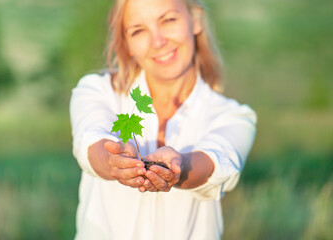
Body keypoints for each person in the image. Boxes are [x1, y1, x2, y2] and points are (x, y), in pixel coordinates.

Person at [70, 0, 257, 239]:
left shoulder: (233, 116)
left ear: (196, 19)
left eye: (168, 20)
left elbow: (217, 162)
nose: (158, 41)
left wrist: (179, 167)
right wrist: (112, 161)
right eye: (138, 30)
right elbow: (90, 139)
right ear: (126, 44)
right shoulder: (97, 91)